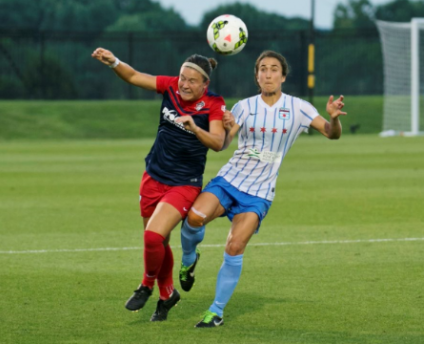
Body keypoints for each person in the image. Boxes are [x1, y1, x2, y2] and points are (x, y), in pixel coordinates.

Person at [177, 50, 346, 328]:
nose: (268, 74)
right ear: (257, 76)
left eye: (273, 69)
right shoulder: (244, 106)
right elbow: (225, 144)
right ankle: (188, 258)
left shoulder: (299, 107)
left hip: (259, 192)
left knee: (234, 246)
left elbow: (331, 132)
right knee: (193, 218)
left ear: (283, 76)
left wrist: (335, 118)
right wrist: (229, 127)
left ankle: (215, 311)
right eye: (263, 69)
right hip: (230, 179)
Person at [91, 47, 227, 321]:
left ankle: (146, 284)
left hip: (184, 184)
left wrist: (195, 128)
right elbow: (134, 76)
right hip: (153, 176)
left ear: (205, 84)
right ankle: (167, 295)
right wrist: (114, 62)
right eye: (182, 78)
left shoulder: (214, 104)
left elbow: (219, 143)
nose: (184, 84)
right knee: (160, 242)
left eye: (191, 81)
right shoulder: (171, 87)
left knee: (152, 237)